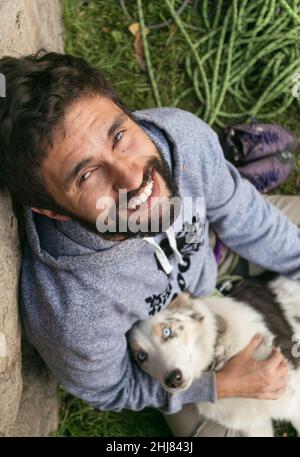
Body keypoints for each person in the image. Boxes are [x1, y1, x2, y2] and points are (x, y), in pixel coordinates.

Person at [0, 50, 299, 437]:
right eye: (88, 174)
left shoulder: (182, 140)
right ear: (54, 211)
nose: (132, 176)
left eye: (119, 135)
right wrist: (218, 386)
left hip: (213, 258)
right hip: (180, 365)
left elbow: (247, 218)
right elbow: (112, 389)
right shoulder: (73, 312)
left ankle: (232, 169)